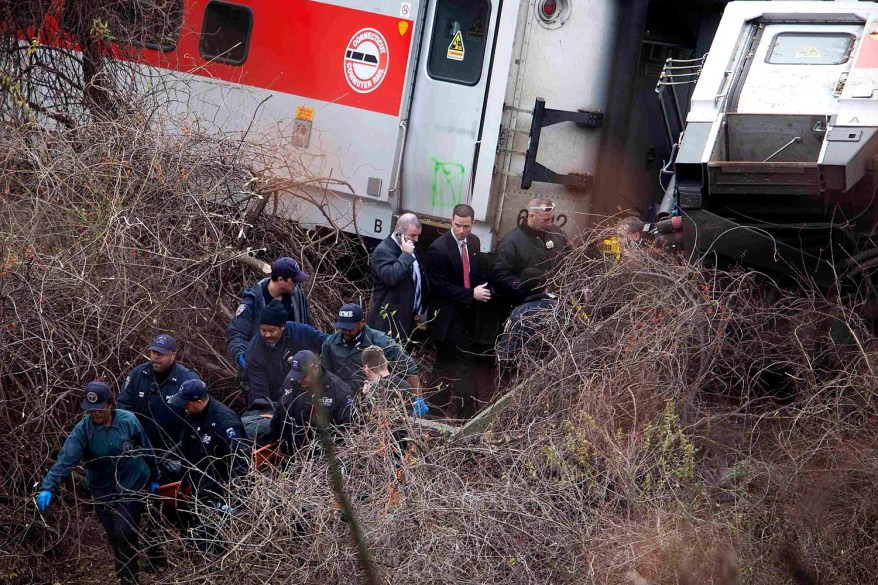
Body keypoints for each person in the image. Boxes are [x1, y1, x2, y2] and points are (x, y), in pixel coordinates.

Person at [36, 382, 160, 585]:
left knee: (124, 531)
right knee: (113, 535)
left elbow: (146, 449)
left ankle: (130, 580)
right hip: (102, 488)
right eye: (90, 409)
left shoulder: (129, 421)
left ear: (110, 404)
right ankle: (124, 573)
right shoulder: (83, 430)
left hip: (132, 484)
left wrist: (155, 477)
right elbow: (66, 460)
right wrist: (48, 487)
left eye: (99, 408)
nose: (95, 413)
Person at [425, 203, 492, 418]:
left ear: (473, 224)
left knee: (443, 364)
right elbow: (440, 287)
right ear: (450, 221)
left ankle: (435, 410)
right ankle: (467, 415)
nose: (461, 231)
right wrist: (470, 294)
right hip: (446, 317)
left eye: (466, 226)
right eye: (457, 225)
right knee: (465, 365)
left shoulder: (472, 242)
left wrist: (483, 287)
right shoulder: (439, 249)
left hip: (465, 315)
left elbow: (473, 271)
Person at [170, 380, 250, 553]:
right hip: (200, 487)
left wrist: (237, 498)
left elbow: (240, 462)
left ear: (199, 401)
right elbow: (188, 449)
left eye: (186, 402)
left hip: (219, 492)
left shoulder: (225, 422)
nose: (184, 406)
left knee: (214, 542)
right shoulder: (192, 415)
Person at [242, 299, 329, 444]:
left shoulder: (300, 331)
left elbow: (328, 343)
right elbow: (261, 398)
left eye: (272, 330)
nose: (267, 335)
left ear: (283, 327)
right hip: (277, 402)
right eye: (263, 330)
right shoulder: (254, 352)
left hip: (309, 393)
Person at [117, 333, 200, 472]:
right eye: (154, 352)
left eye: (161, 354)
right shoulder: (137, 375)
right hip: (139, 448)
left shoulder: (187, 379)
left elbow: (195, 419)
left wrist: (178, 449)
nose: (156, 356)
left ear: (173, 355)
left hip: (172, 453)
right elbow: (123, 409)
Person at [321, 303, 422, 405]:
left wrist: (418, 400)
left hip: (374, 401)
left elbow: (409, 368)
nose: (346, 332)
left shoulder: (381, 342)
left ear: (361, 323)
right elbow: (325, 375)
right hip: (342, 401)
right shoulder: (330, 344)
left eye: (351, 328)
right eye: (343, 328)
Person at [226, 256, 312, 370]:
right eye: (294, 280)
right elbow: (236, 334)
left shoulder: (298, 297)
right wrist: (241, 354)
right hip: (265, 368)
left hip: (294, 367)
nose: (297, 282)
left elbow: (307, 328)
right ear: (280, 280)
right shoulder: (253, 300)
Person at [270, 350, 355, 454]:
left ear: (315, 369)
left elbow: (347, 433)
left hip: (319, 461)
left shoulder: (339, 392)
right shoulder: (290, 381)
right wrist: (273, 443)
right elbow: (279, 411)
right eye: (296, 376)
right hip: (288, 455)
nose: (298, 380)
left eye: (302, 376)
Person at [366, 213, 429, 345]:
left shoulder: (409, 245)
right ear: (399, 231)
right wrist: (406, 255)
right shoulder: (383, 251)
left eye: (418, 235)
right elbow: (391, 277)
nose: (416, 239)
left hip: (407, 320)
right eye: (413, 235)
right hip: (387, 323)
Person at [494, 197, 568, 303]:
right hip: (529, 303)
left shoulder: (557, 233)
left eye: (552, 219)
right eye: (546, 220)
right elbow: (500, 275)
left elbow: (572, 258)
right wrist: (530, 289)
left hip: (559, 300)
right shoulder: (511, 242)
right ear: (532, 216)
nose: (550, 223)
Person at [496, 268, 559, 365]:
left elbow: (505, 350)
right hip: (559, 362)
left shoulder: (519, 312)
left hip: (529, 365)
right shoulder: (558, 305)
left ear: (521, 287)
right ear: (545, 286)